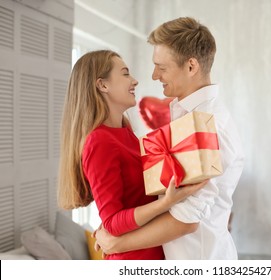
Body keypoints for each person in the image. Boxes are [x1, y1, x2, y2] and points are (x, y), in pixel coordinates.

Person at [94, 17, 244, 259]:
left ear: (191, 67)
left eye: (162, 68)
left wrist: (116, 244)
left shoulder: (210, 125)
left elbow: (187, 220)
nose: (154, 76)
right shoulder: (186, 116)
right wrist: (115, 226)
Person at [57, 50, 208, 260]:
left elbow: (128, 205)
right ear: (103, 85)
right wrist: (165, 203)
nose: (135, 81)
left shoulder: (126, 133)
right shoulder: (98, 141)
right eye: (125, 73)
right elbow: (112, 222)